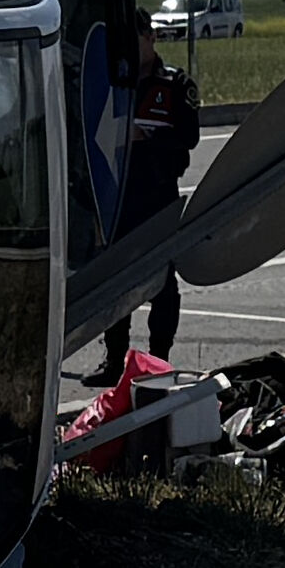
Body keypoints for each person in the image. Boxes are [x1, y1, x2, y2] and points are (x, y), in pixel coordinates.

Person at [90, 42, 205, 381]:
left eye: (136, 35)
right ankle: (114, 362)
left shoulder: (173, 84)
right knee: (116, 283)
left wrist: (146, 138)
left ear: (150, 37)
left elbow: (189, 137)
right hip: (119, 197)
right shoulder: (115, 82)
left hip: (158, 197)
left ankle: (159, 361)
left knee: (162, 283)